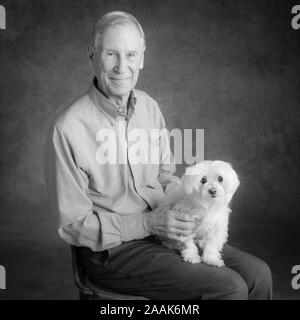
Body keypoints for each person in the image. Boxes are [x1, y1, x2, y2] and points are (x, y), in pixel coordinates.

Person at [44, 11, 272, 300]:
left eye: (130, 54)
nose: (121, 67)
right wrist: (149, 223)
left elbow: (165, 178)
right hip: (113, 251)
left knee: (259, 275)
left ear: (142, 58)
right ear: (92, 54)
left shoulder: (150, 108)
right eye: (111, 53)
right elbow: (73, 226)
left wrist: (192, 204)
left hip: (165, 232)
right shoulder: (68, 128)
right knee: (230, 288)